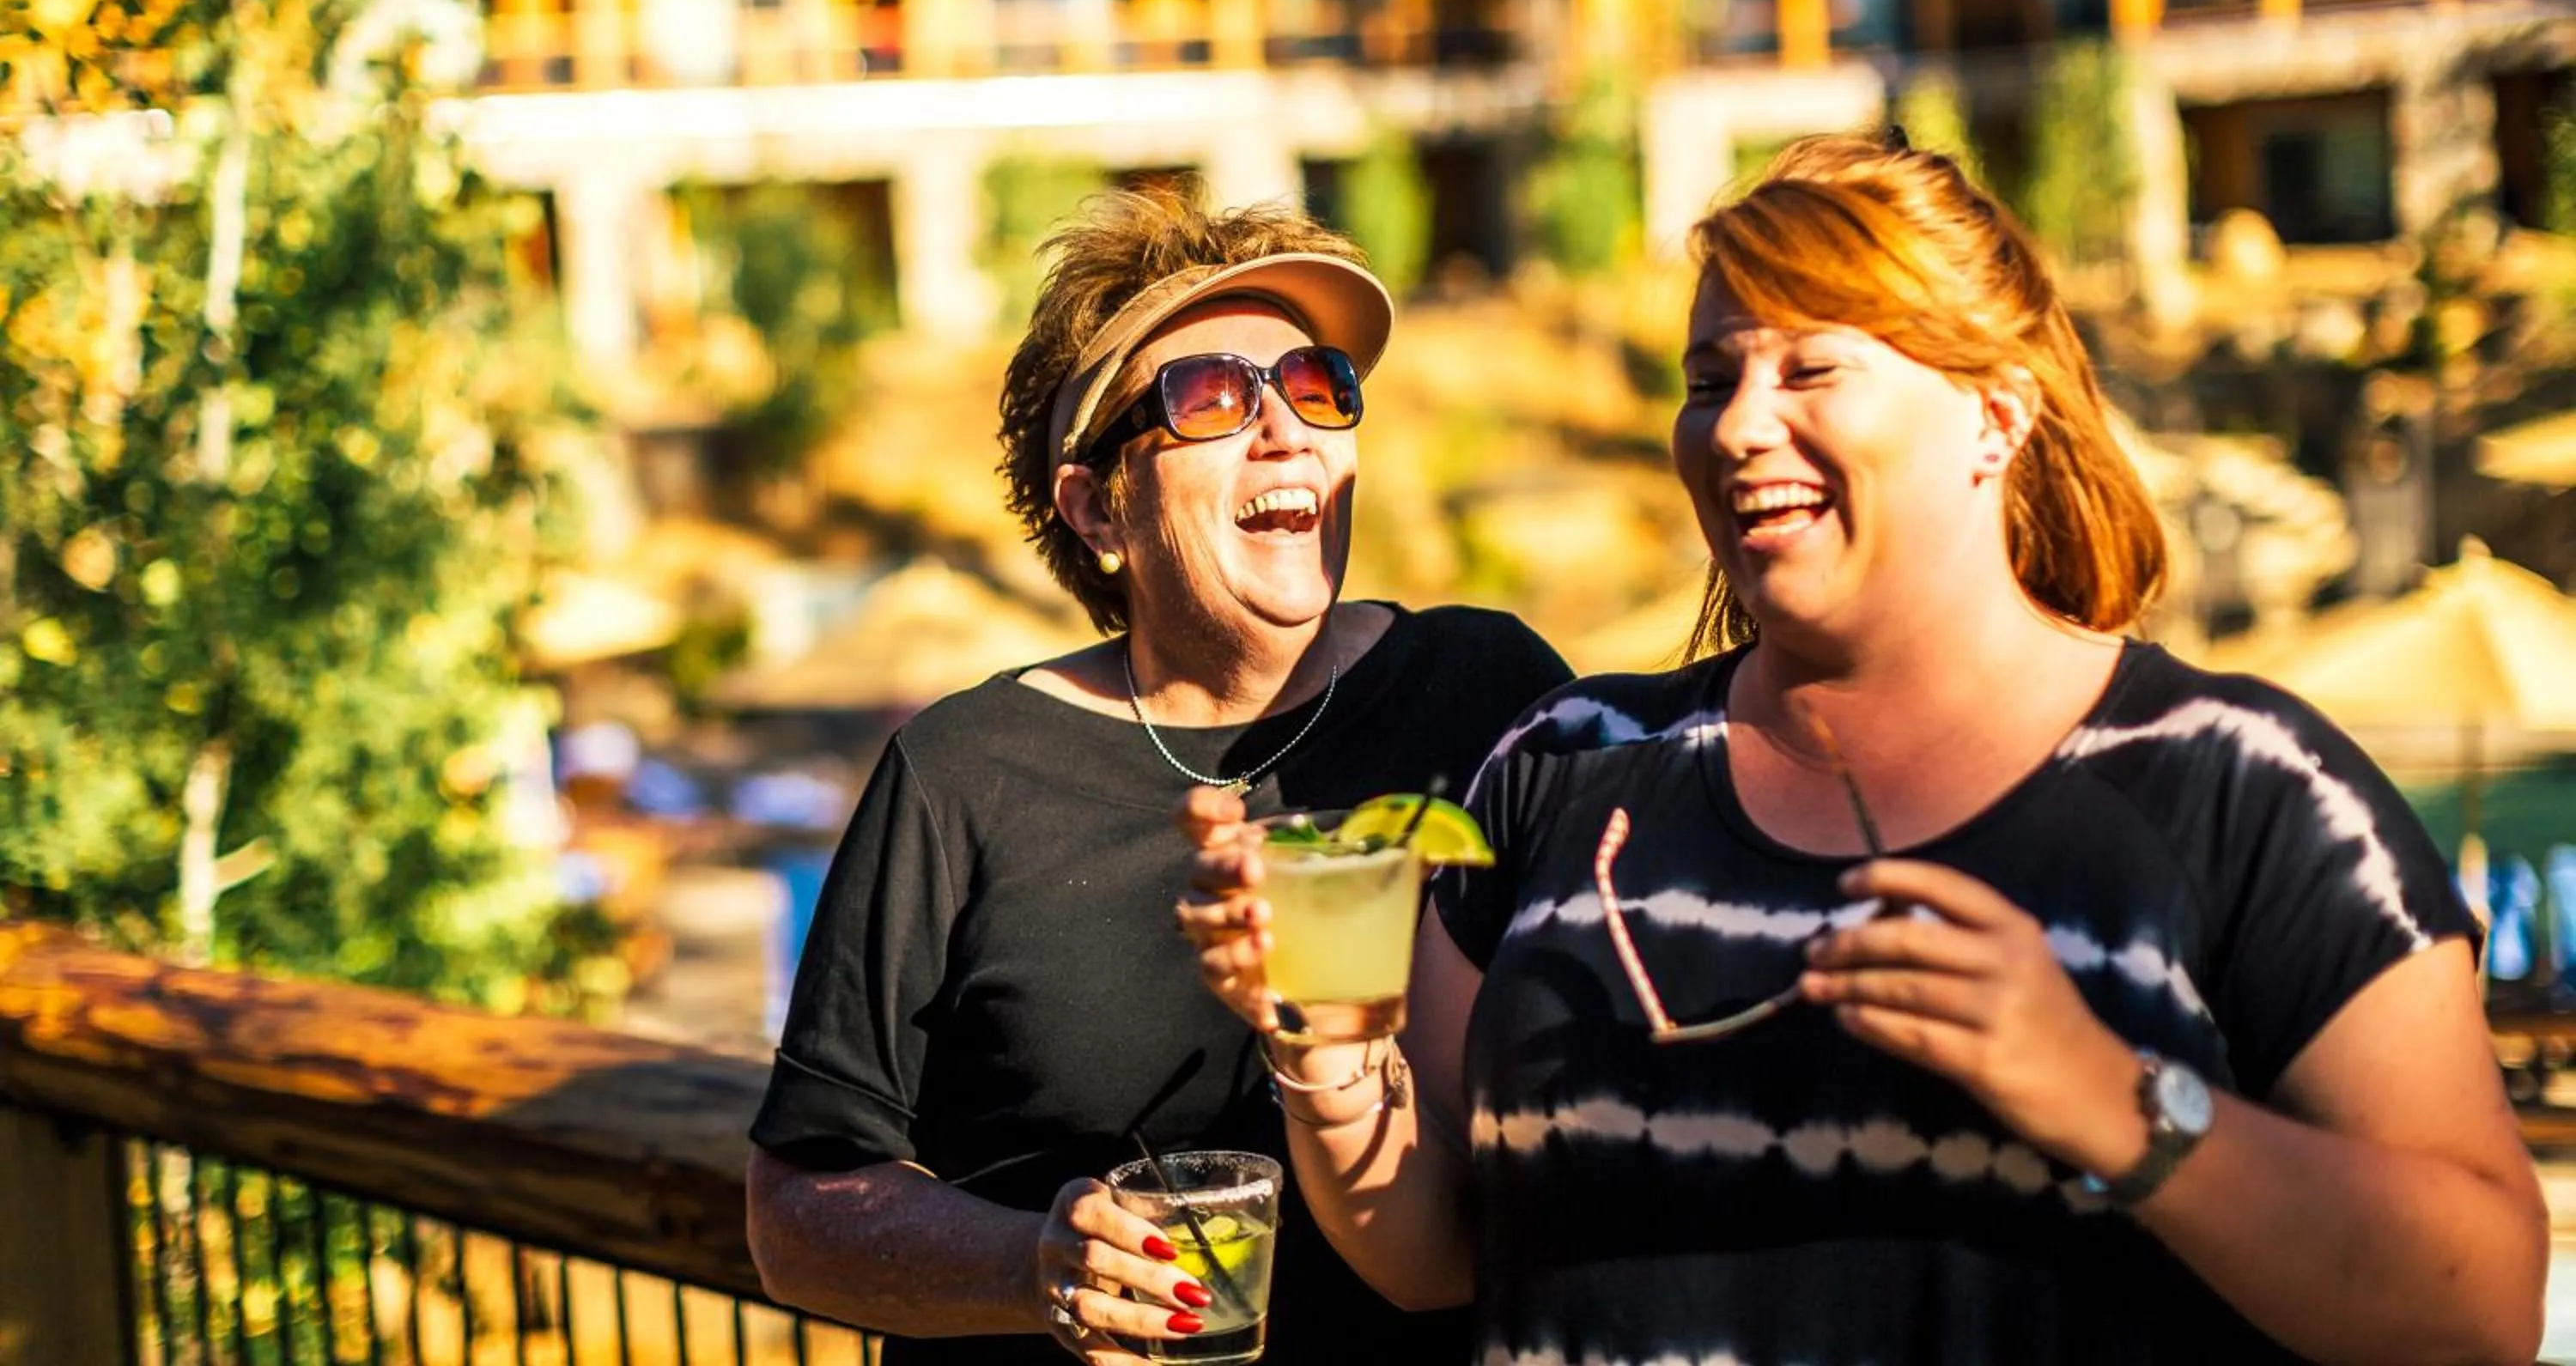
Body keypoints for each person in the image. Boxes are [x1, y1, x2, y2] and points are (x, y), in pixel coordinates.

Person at [1178, 134, 2546, 1364]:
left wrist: (2117, 1102)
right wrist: (1333, 1053)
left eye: (1810, 366)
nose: (1742, 422)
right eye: (1710, 378)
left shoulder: (2242, 786)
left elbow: (2480, 1303)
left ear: (1997, 413)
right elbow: (1430, 1259)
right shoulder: (1560, 767)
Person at [744, 183, 1572, 1366]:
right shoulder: (961, 773)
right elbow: (795, 1215)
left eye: (1315, 386)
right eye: (1211, 397)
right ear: (1097, 510)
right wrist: (1031, 1264)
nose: (1284, 427)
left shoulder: (1488, 696)